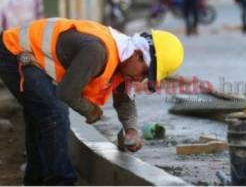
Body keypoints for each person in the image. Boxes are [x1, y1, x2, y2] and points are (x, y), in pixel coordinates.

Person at [0, 17, 184, 185]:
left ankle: (35, 181)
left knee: (41, 116)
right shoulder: (98, 52)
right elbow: (66, 92)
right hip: (14, 51)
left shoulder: (124, 55)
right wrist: (90, 110)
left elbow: (125, 99)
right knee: (54, 113)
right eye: (144, 73)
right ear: (137, 54)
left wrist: (132, 130)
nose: (140, 80)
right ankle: (61, 182)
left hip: (27, 55)